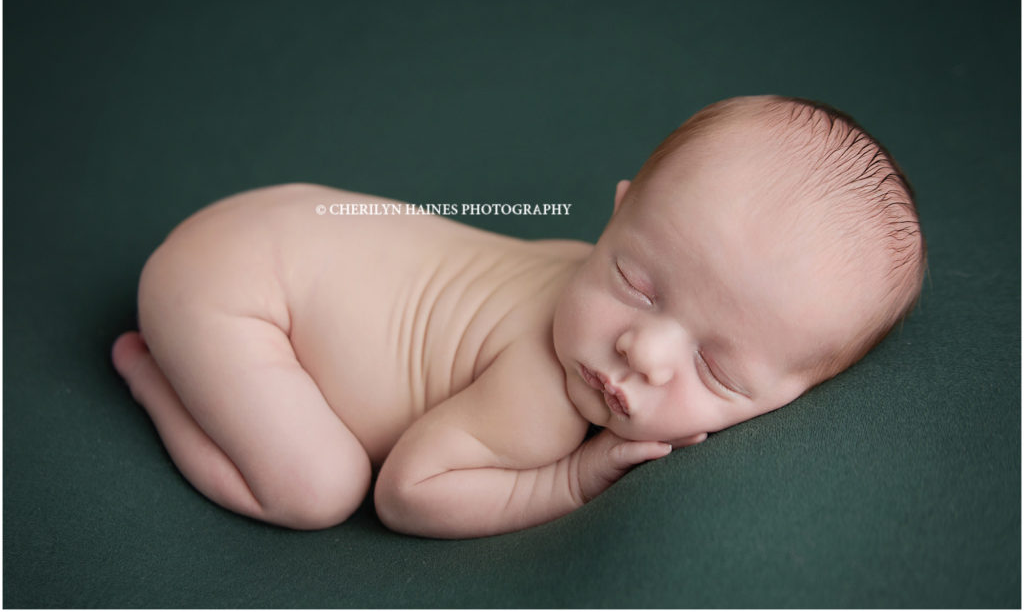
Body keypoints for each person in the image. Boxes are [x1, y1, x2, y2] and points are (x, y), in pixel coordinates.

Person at [111, 95, 925, 538]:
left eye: (716, 369)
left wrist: (633, 281)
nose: (641, 348)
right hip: (235, 295)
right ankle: (154, 375)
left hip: (281, 222)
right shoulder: (541, 399)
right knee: (317, 489)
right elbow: (408, 491)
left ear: (791, 394)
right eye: (636, 282)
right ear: (618, 212)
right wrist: (567, 479)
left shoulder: (575, 264)